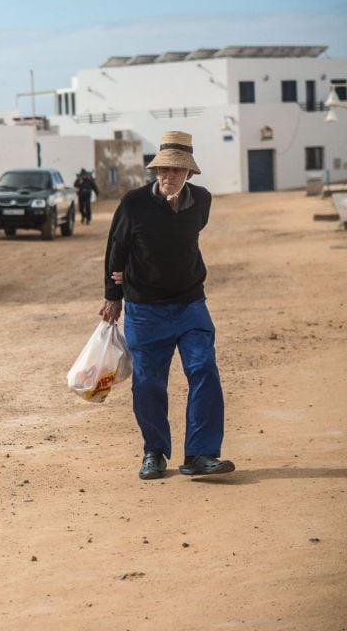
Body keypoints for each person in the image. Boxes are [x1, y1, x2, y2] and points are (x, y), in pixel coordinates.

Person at [99, 130, 234, 480]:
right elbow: (117, 250)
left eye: (175, 170)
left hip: (191, 303)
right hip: (145, 310)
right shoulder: (134, 202)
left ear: (189, 172)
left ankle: (201, 454)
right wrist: (113, 297)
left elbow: (188, 238)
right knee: (148, 382)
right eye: (162, 169)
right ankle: (154, 452)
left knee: (204, 368)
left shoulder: (201, 201)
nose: (167, 176)